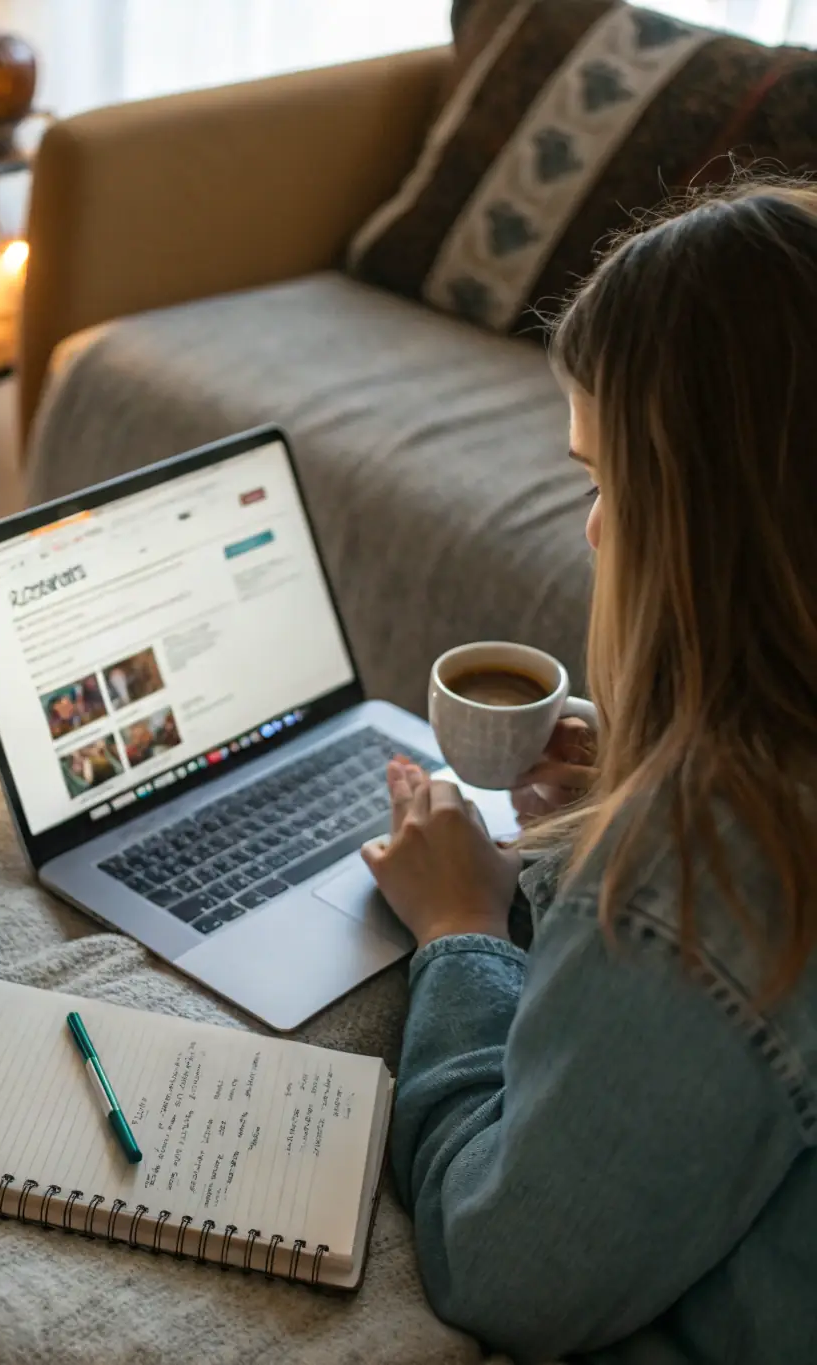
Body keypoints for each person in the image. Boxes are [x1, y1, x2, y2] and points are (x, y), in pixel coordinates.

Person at [362, 182, 817, 1364]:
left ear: (715, 523)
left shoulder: (721, 858)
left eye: (607, 478)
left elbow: (506, 1264)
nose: (594, 529)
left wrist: (463, 927)